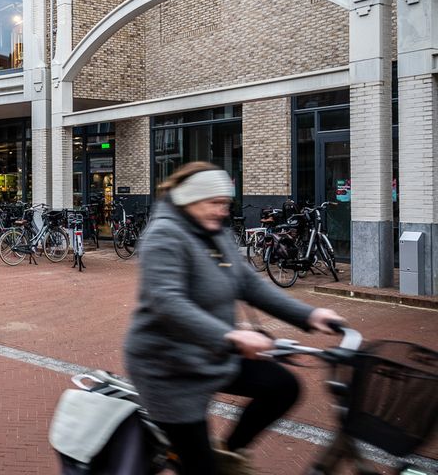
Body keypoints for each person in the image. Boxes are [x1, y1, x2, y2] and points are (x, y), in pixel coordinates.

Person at [124, 162, 344, 475]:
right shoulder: (163, 236)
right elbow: (168, 303)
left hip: (211, 353)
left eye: (225, 203)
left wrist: (310, 315)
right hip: (168, 367)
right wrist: (231, 337)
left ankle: (230, 452)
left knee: (282, 387)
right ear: (189, 199)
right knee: (199, 466)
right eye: (213, 203)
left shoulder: (217, 235)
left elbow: (249, 284)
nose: (221, 211)